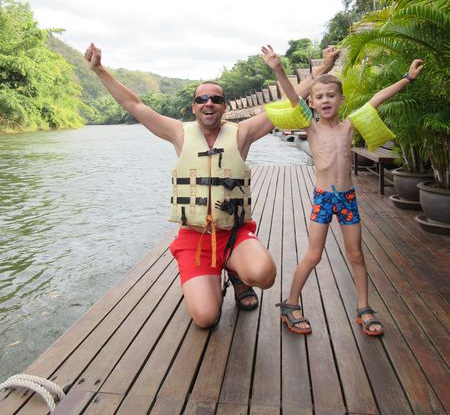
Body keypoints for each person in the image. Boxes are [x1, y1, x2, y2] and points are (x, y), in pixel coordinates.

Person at [84, 43, 339, 328]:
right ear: (194, 107)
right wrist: (99, 70)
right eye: (202, 99)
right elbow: (134, 105)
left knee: (264, 274)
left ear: (224, 107)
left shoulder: (242, 133)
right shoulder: (178, 133)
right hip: (195, 238)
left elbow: (285, 103)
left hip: (233, 234)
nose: (209, 103)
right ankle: (215, 275)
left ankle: (237, 272)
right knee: (205, 318)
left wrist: (322, 70)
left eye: (216, 99)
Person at [261, 45, 424, 336]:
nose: (325, 100)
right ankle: (290, 303)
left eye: (331, 95)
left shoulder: (349, 126)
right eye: (320, 97)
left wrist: (407, 79)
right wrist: (278, 69)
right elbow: (291, 96)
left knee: (356, 255)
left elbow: (377, 98)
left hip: (347, 199)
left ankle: (364, 307)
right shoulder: (310, 127)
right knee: (313, 255)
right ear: (312, 103)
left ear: (341, 99)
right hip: (323, 199)